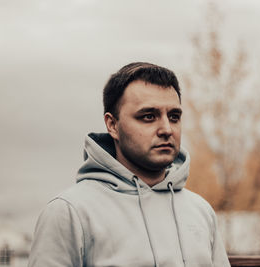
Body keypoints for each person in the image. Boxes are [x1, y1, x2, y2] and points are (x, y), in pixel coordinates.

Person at [28, 62, 230, 267]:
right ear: (113, 125)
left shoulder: (201, 211)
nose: (167, 129)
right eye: (149, 116)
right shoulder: (69, 212)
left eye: (174, 116)